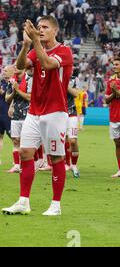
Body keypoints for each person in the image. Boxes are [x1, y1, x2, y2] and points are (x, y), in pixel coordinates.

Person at [2, 16, 74, 216]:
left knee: (55, 158)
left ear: (55, 31)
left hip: (55, 112)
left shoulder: (64, 51)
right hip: (34, 111)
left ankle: (56, 205)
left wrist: (34, 40)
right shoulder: (34, 48)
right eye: (39, 27)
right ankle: (23, 201)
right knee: (25, 153)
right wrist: (26, 44)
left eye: (45, 27)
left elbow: (48, 63)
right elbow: (20, 66)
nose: (40, 30)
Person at [5, 65, 32, 173]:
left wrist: (18, 90)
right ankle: (16, 165)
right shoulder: (12, 81)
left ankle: (32, 163)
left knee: (27, 142)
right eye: (15, 66)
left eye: (18, 66)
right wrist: (14, 92)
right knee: (15, 140)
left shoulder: (30, 80)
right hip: (15, 115)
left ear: (24, 68)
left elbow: (30, 97)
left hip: (28, 115)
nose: (15, 68)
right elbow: (7, 98)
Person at [65, 76, 81, 178]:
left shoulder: (73, 79)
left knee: (73, 141)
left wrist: (64, 84)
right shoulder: (52, 77)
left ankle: (74, 165)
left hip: (71, 114)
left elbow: (76, 94)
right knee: (62, 140)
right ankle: (66, 164)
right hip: (58, 113)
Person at [0, 65, 12, 166]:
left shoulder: (12, 83)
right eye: (3, 70)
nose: (3, 72)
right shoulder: (2, 82)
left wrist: (2, 92)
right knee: (0, 137)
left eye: (5, 70)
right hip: (0, 114)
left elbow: (11, 99)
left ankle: (19, 160)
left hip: (8, 114)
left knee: (15, 138)